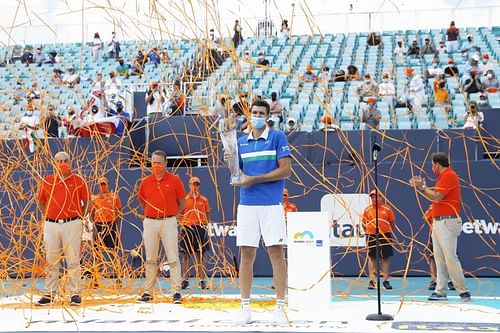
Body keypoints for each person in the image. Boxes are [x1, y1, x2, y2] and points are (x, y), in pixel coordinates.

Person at [233, 99, 291, 325]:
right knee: (246, 256)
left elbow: (285, 170)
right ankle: (245, 308)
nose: (257, 115)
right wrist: (231, 165)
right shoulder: (239, 142)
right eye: (254, 112)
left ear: (267, 116)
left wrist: (255, 179)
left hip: (271, 204)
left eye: (261, 113)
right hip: (247, 205)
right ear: (250, 115)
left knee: (276, 254)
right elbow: (237, 175)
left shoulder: (277, 137)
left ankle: (280, 308)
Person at [410, 153, 471, 302]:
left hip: (446, 222)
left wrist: (422, 187)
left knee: (450, 257)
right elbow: (434, 195)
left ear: (437, 164)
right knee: (439, 258)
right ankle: (440, 290)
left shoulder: (449, 175)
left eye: (433, 165)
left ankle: (463, 291)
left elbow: (437, 196)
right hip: (439, 222)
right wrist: (421, 188)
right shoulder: (443, 178)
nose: (432, 168)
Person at [36, 151, 90, 306]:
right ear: (55, 163)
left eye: (65, 160)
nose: (62, 163)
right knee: (51, 259)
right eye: (59, 161)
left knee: (72, 259)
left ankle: (74, 294)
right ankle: (50, 293)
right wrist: (49, 215)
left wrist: (81, 217)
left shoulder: (79, 181)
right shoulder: (47, 181)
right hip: (51, 224)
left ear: (70, 161)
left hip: (72, 223)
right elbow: (40, 201)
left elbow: (87, 202)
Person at [137, 150, 186, 303]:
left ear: (165, 163)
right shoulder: (145, 181)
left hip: (169, 221)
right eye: (153, 162)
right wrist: (151, 214)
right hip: (150, 222)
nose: (156, 165)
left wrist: (173, 215)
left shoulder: (175, 180)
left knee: (173, 257)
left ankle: (176, 292)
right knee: (150, 259)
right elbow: (142, 201)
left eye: (159, 162)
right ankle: (148, 292)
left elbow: (182, 201)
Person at [179, 177, 210, 290]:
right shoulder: (184, 199)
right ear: (189, 185)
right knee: (186, 255)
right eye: (193, 184)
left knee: (200, 255)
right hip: (187, 228)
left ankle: (202, 281)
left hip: (200, 228)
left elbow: (207, 214)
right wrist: (182, 226)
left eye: (197, 184)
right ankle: (185, 280)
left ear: (199, 185)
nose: (194, 186)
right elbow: (179, 214)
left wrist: (206, 226)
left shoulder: (204, 199)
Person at [361, 190, 395, 290]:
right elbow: (363, 223)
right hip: (371, 235)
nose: (374, 199)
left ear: (381, 197)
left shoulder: (387, 209)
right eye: (372, 197)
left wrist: (386, 232)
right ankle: (372, 281)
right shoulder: (367, 210)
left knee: (385, 257)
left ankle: (386, 280)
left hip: (384, 235)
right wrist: (368, 231)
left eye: (376, 196)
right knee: (372, 257)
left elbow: (392, 223)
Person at [91, 177, 122, 281]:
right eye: (100, 184)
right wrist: (96, 224)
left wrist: (112, 223)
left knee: (113, 253)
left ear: (108, 184)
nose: (102, 186)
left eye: (104, 184)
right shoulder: (95, 199)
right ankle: (96, 278)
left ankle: (118, 277)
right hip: (98, 226)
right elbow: (92, 214)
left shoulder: (114, 197)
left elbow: (119, 212)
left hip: (111, 226)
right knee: (97, 254)